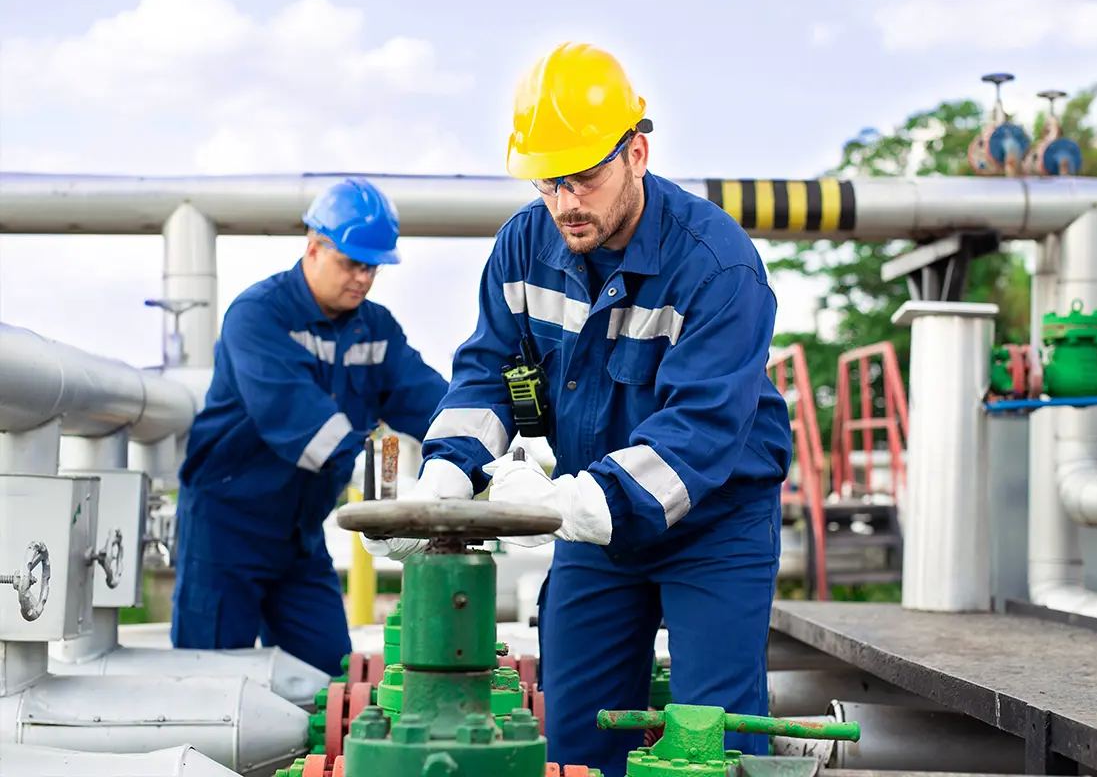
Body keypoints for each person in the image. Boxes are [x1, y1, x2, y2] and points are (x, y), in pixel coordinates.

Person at [363, 41, 792, 775]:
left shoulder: (719, 267)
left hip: (715, 526)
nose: (565, 203)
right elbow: (488, 373)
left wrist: (568, 505)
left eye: (584, 179)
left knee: (710, 744)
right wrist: (445, 479)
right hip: (594, 522)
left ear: (637, 153)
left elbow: (699, 434)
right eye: (547, 182)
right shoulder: (525, 245)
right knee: (575, 738)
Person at [171, 176, 449, 677]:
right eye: (351, 263)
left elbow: (427, 400)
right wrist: (383, 480)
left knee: (329, 681)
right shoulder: (258, 316)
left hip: (300, 538)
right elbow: (297, 418)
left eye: (373, 268)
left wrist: (481, 443)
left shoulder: (376, 329)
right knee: (209, 685)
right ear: (314, 248)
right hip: (226, 533)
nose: (363, 278)